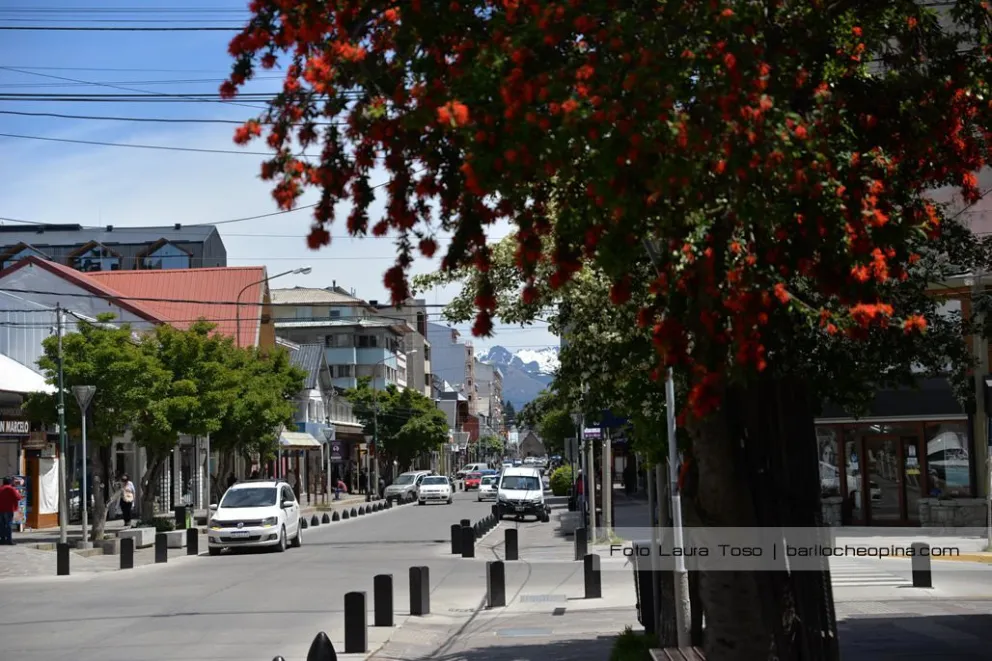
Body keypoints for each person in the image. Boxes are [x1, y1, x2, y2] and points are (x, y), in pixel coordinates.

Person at [0, 477, 20, 545]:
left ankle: (2, 539)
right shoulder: (11, 488)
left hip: (0, 509)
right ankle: (9, 540)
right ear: (10, 482)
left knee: (1, 525)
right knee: (8, 524)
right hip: (9, 509)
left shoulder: (0, 488)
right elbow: (18, 497)